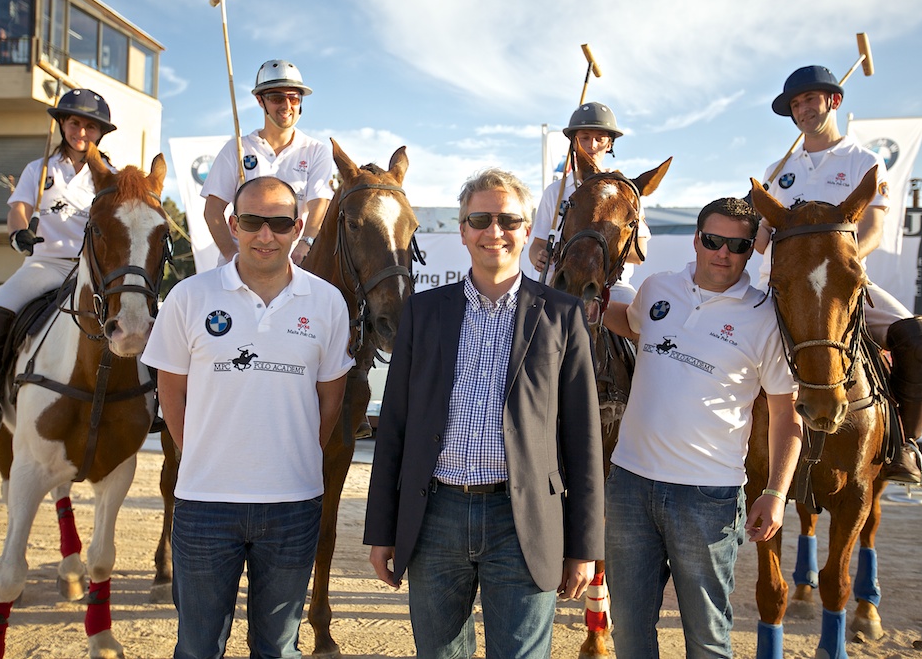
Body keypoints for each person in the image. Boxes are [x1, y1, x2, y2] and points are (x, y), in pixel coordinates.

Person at [364, 168, 605, 659]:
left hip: (524, 520)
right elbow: (395, 426)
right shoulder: (423, 311)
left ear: (526, 230)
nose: (495, 231)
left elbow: (583, 439)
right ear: (462, 230)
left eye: (509, 220)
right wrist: (381, 529)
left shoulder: (561, 314)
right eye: (480, 218)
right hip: (435, 517)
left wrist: (584, 546)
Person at [142, 176, 353, 659]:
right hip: (203, 506)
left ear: (298, 228)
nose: (266, 235)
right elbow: (170, 395)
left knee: (278, 649)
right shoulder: (188, 297)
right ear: (233, 225)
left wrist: (293, 457)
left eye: (279, 223)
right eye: (253, 222)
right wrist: (201, 451)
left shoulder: (327, 303)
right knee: (197, 649)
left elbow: (330, 401)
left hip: (293, 508)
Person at [602, 197, 803, 658]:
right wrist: (590, 307)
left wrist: (774, 493)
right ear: (696, 239)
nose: (723, 253)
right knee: (630, 633)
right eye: (713, 240)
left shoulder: (766, 316)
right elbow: (630, 325)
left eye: (737, 245)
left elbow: (785, 416)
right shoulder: (656, 289)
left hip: (707, 497)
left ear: (752, 249)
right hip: (630, 486)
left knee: (707, 638)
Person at [755, 65, 922, 484]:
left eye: (809, 100)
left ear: (834, 101)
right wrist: (754, 222)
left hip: (844, 287)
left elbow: (873, 229)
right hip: (783, 290)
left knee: (921, 342)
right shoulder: (776, 170)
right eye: (795, 105)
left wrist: (843, 264)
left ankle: (904, 445)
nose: (801, 110)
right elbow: (763, 240)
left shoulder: (864, 161)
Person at [0, 89, 117, 442]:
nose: (81, 131)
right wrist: (18, 234)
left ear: (100, 132)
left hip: (92, 270)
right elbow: (18, 209)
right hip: (45, 263)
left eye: (90, 126)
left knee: (137, 317)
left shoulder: (111, 173)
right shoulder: (40, 168)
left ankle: (143, 401)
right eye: (74, 122)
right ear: (62, 123)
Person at [202, 59, 334, 266]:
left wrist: (305, 245)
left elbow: (320, 204)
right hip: (241, 270)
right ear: (260, 100)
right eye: (276, 97)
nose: (287, 106)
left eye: (294, 98)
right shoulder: (237, 148)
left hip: (293, 267)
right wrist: (231, 257)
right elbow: (212, 210)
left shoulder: (316, 151)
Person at [529, 101, 651, 301]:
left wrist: (594, 251)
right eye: (584, 138)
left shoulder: (627, 192)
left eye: (599, 138)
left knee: (635, 321)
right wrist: (538, 257)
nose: (592, 145)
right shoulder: (554, 192)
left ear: (609, 144)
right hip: (557, 282)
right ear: (573, 143)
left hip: (609, 288)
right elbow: (537, 245)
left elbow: (639, 254)